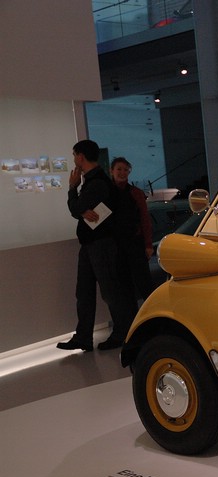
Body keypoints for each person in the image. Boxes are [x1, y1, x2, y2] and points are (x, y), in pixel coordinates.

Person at [57, 140, 137, 352]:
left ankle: (122, 334)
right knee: (84, 292)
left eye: (75, 155)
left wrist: (73, 189)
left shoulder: (97, 182)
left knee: (110, 291)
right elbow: (81, 210)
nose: (74, 159)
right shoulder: (96, 181)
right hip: (91, 244)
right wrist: (82, 210)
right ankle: (83, 337)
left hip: (100, 244)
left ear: (81, 156)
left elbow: (76, 209)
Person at [110, 157, 154, 302]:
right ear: (112, 171)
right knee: (123, 286)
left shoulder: (136, 193)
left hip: (135, 244)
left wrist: (148, 245)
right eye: (119, 169)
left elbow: (145, 220)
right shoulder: (106, 192)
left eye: (125, 170)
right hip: (116, 246)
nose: (122, 173)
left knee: (145, 283)